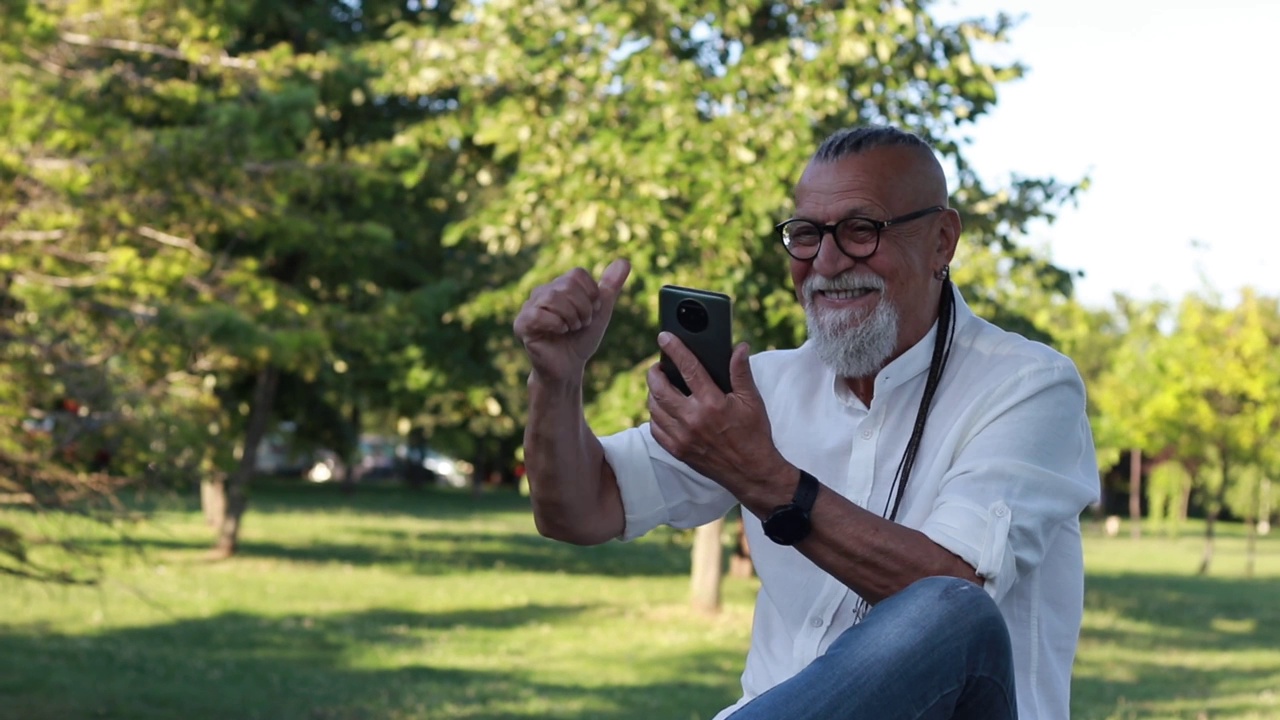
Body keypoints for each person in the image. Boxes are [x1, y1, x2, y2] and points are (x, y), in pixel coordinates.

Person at [512, 126, 1099, 720]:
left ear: (942, 241)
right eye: (806, 234)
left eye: (861, 231)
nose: (826, 262)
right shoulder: (763, 388)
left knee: (950, 610)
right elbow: (577, 511)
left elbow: (950, 604)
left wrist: (765, 480)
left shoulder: (1028, 386)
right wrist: (557, 381)